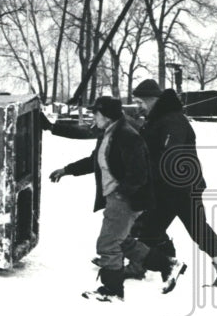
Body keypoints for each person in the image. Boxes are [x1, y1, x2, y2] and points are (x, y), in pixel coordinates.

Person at [48, 96, 182, 302]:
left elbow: (139, 172)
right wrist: (66, 170)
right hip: (116, 197)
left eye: (96, 113)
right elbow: (94, 160)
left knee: (108, 243)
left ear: (106, 115)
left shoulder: (127, 135)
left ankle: (112, 290)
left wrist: (122, 193)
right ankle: (167, 264)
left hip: (126, 199)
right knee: (123, 241)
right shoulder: (108, 133)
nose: (93, 116)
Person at [129, 79, 217, 287]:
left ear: (153, 99)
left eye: (141, 101)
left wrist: (146, 175)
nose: (139, 106)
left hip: (181, 188)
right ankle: (158, 263)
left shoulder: (172, 121)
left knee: (187, 229)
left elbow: (169, 155)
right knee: (155, 227)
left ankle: (152, 264)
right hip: (172, 187)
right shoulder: (157, 119)